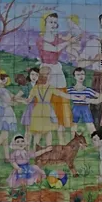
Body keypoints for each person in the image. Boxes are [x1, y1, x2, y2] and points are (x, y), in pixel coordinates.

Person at [36, 12, 75, 144]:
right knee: (45, 102)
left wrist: (72, 31)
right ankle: (43, 141)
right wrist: (68, 41)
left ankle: (62, 140)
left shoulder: (58, 37)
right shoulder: (40, 40)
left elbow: (70, 38)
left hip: (57, 71)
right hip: (46, 71)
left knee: (61, 100)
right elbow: (55, 48)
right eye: (50, 22)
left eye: (55, 22)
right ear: (44, 24)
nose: (53, 24)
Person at [26, 66, 73, 150]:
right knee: (46, 132)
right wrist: (77, 97)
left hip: (38, 110)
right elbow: (64, 95)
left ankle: (38, 150)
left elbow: (28, 100)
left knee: (41, 132)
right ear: (48, 76)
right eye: (50, 74)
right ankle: (44, 150)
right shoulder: (50, 88)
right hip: (46, 109)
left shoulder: (36, 87)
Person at [14, 67, 40, 150]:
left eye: (36, 75)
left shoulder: (41, 86)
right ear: (29, 75)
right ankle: (26, 151)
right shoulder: (26, 87)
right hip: (30, 110)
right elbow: (16, 97)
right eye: (32, 74)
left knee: (37, 132)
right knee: (28, 132)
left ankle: (35, 150)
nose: (34, 76)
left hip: (40, 110)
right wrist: (24, 100)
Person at [67, 67, 99, 136]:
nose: (81, 76)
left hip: (85, 108)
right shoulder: (70, 90)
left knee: (90, 125)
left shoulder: (88, 90)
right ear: (74, 77)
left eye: (82, 74)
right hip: (75, 108)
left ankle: (97, 142)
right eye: (78, 75)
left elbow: (99, 96)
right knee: (73, 126)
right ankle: (73, 141)